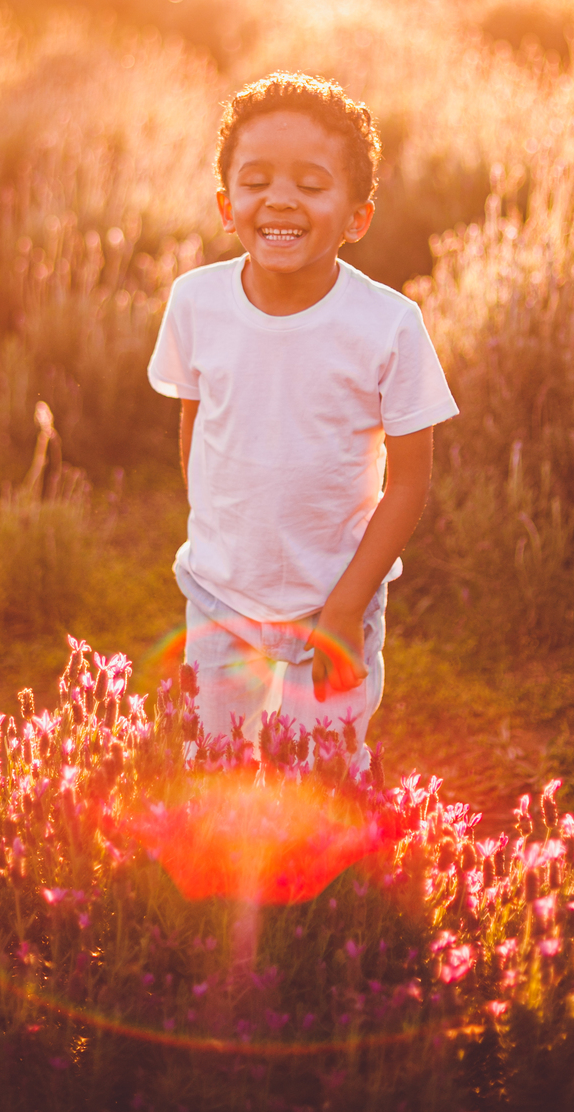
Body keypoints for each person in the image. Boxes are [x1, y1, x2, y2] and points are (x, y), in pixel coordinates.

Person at [147, 71, 458, 767]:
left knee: (319, 781)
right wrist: (221, 536)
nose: (280, 199)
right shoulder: (196, 303)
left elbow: (407, 483)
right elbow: (196, 426)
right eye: (256, 181)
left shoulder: (388, 326)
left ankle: (326, 883)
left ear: (357, 217)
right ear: (227, 206)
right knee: (216, 766)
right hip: (221, 591)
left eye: (311, 186)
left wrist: (347, 606)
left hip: (333, 602)